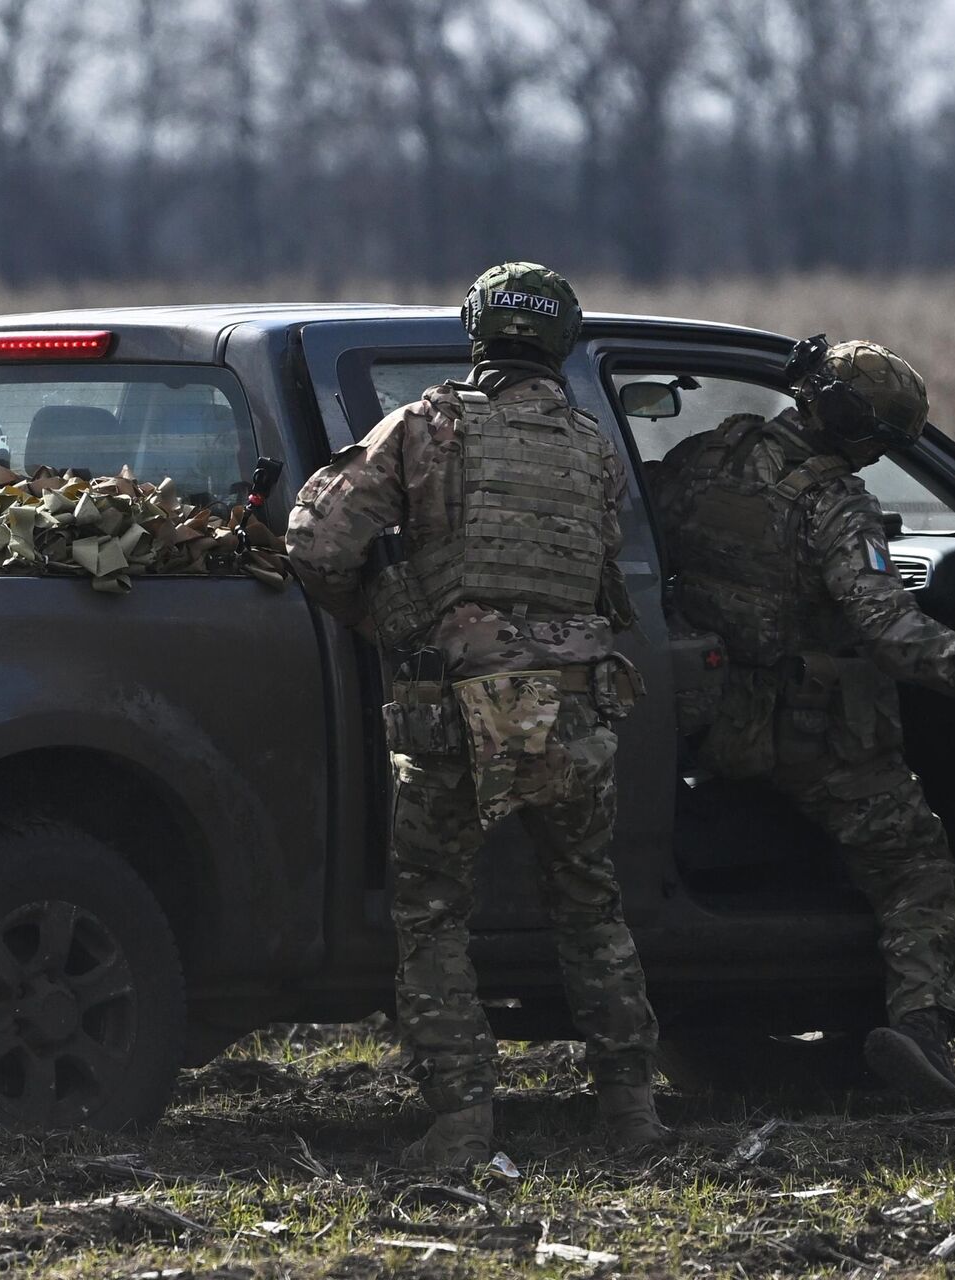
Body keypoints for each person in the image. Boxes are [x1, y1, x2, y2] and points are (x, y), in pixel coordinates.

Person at [287, 262, 667, 1167]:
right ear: (561, 341)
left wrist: (378, 613)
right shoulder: (591, 445)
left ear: (476, 331)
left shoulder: (428, 426)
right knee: (590, 911)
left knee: (432, 914)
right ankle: (634, 1118)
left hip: (457, 709)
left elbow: (317, 539)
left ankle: (461, 1124)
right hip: (575, 710)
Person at [647, 335, 955, 1108]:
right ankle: (922, 1034)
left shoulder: (708, 454)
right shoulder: (835, 506)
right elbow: (894, 635)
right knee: (922, 874)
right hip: (807, 733)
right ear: (863, 435)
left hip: (709, 716)